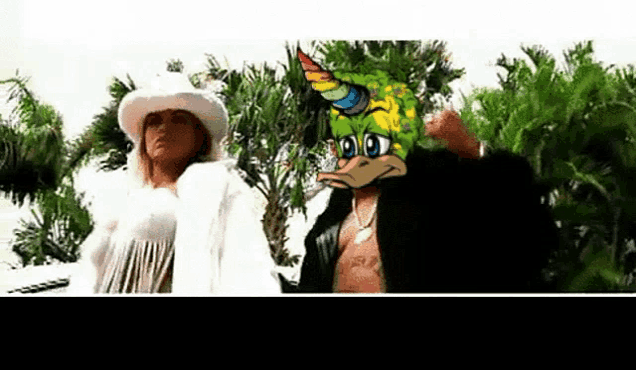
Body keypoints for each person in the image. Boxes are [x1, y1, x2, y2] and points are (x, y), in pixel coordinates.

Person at [295, 49, 560, 293]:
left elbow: (522, 212)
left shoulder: (426, 180)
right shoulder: (330, 220)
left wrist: (472, 149)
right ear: (335, 147)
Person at [68, 72, 280, 295]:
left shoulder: (217, 187)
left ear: (200, 136)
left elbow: (249, 267)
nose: (163, 128)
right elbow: (88, 274)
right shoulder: (124, 201)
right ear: (144, 137)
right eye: (154, 121)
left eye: (178, 119)